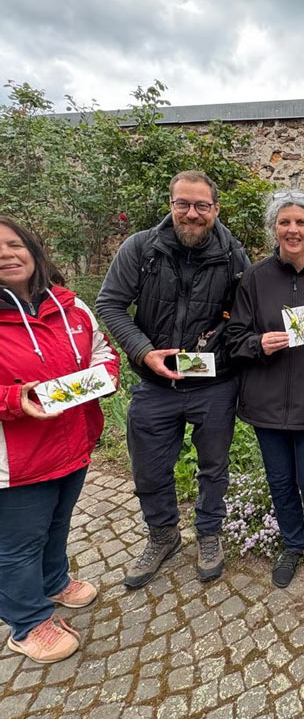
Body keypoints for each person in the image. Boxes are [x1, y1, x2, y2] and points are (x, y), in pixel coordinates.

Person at [96, 170, 249, 588]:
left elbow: (244, 318)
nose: (192, 213)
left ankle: (209, 533)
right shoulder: (141, 248)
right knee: (148, 468)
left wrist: (226, 342)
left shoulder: (235, 257)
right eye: (183, 204)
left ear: (216, 210)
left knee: (213, 467)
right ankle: (163, 535)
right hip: (155, 383)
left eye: (201, 205)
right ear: (171, 205)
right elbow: (109, 304)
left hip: (214, 385)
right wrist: (143, 350)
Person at [0, 216, 120, 663]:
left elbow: (103, 353)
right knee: (17, 542)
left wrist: (105, 377)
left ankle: (53, 582)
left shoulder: (69, 306)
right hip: (16, 457)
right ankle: (27, 622)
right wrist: (13, 399)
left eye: (14, 244)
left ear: (33, 250)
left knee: (56, 523)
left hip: (72, 442)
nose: (7, 254)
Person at [226, 189, 304, 590]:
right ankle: (292, 544)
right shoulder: (256, 279)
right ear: (274, 229)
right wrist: (257, 344)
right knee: (280, 482)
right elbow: (235, 336)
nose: (292, 229)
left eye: (300, 222)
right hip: (266, 403)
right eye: (285, 222)